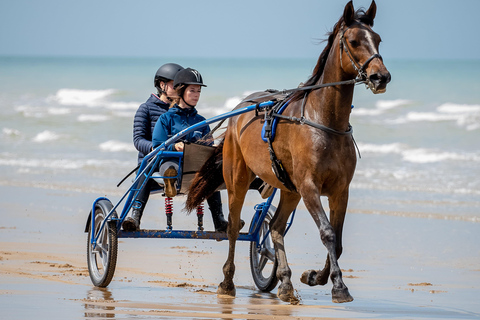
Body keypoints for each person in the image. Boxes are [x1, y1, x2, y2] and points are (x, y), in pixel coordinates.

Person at [152, 68, 229, 232]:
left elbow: (208, 147)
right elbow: (157, 144)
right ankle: (170, 182)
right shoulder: (166, 118)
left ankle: (220, 221)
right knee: (170, 168)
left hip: (196, 169)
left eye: (199, 91)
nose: (196, 95)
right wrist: (173, 146)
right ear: (181, 91)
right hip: (172, 163)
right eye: (192, 90)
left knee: (212, 173)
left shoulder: (201, 121)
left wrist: (215, 147)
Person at [122, 63, 184, 232]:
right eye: (175, 85)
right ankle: (134, 216)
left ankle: (220, 219)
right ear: (162, 85)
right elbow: (138, 140)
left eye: (181, 85)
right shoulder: (146, 109)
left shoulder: (183, 112)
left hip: (177, 164)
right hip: (152, 164)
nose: (179, 89)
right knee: (147, 167)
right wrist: (156, 148)